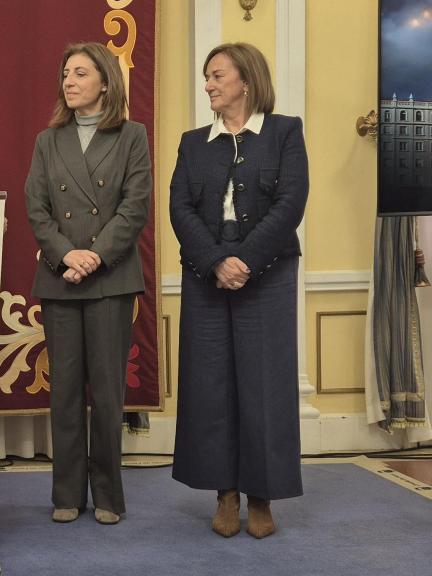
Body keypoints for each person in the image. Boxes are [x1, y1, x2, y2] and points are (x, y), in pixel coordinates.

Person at [169, 42, 308, 539]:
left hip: (266, 273)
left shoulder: (284, 132)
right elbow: (180, 208)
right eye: (207, 76)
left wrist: (245, 260)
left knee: (263, 386)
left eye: (216, 75)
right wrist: (215, 261)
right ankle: (225, 494)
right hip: (206, 272)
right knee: (210, 386)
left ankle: (262, 497)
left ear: (245, 80)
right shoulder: (191, 142)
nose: (207, 84)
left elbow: (291, 202)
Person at [24, 42, 152, 525]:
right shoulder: (47, 140)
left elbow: (134, 206)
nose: (69, 82)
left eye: (80, 72)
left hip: (111, 277)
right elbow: (36, 207)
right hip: (60, 278)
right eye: (65, 74)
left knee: (107, 393)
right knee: (65, 394)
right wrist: (66, 255)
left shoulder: (131, 135)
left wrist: (94, 255)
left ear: (105, 81)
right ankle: (66, 493)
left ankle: (107, 496)